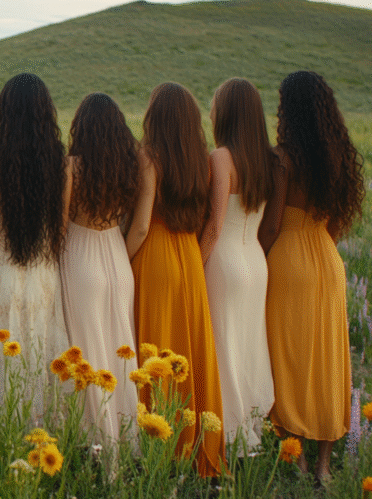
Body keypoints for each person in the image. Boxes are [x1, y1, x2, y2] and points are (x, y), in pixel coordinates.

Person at [259, 70, 363, 484]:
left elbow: (272, 224)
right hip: (326, 257)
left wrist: (260, 259)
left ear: (289, 109)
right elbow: (335, 225)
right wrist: (321, 245)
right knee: (327, 359)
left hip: (289, 258)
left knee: (288, 358)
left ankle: (297, 459)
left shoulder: (282, 159)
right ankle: (324, 466)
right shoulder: (337, 155)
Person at [126, 82, 224, 477]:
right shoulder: (201, 160)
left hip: (156, 256)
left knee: (154, 350)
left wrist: (123, 259)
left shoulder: (149, 157)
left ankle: (158, 446)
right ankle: (194, 444)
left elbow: (142, 224)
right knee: (191, 350)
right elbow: (207, 222)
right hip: (189, 256)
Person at [0, 73, 69, 413]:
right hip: (42, 270)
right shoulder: (60, 163)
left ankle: (0, 431)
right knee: (39, 351)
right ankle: (40, 430)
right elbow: (59, 229)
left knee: (1, 360)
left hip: (2, 268)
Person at [198, 78, 276, 451]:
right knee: (247, 343)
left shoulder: (221, 157)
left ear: (225, 113)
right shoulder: (267, 158)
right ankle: (251, 422)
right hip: (255, 262)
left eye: (214, 104)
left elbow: (214, 226)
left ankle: (227, 433)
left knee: (224, 346)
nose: (211, 111)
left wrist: (193, 268)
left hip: (226, 262)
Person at [61, 92, 140, 445]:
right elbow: (133, 223)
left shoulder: (72, 167)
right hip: (117, 255)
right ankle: (125, 436)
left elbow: (60, 224)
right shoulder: (130, 166)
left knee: (87, 350)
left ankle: (96, 440)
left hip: (81, 256)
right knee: (120, 349)